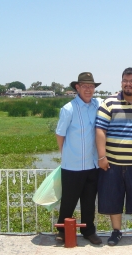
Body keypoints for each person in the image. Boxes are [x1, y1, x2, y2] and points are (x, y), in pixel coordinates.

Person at [96, 67, 132, 247]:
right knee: (113, 199)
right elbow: (100, 130)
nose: (128, 84)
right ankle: (116, 232)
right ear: (121, 83)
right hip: (112, 163)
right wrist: (102, 157)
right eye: (125, 81)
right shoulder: (109, 103)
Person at [55, 72, 103, 245]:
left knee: (89, 201)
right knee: (68, 201)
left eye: (91, 86)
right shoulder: (68, 109)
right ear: (77, 87)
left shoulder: (98, 105)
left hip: (93, 164)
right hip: (72, 166)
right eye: (84, 86)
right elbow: (60, 135)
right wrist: (66, 154)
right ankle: (62, 230)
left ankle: (88, 230)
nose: (88, 89)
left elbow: (115, 99)